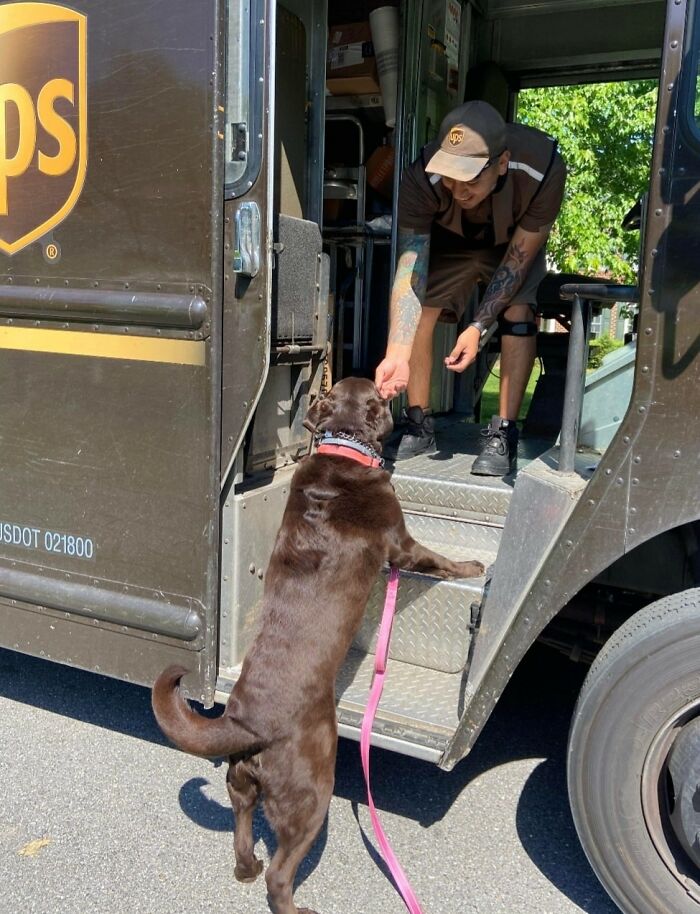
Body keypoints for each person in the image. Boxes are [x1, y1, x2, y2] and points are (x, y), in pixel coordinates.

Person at [374, 101, 566, 475]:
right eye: (450, 178)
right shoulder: (420, 177)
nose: (458, 191)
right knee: (421, 308)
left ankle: (504, 433)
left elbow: (517, 262)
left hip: (512, 244)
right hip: (452, 240)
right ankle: (418, 422)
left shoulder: (543, 169)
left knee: (519, 313)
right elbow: (410, 271)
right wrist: (396, 352)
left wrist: (478, 326)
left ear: (502, 162)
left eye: (471, 179)